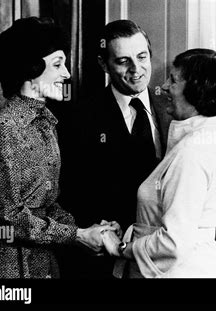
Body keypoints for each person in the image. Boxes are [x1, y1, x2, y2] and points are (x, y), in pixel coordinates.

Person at [0, 17, 117, 279]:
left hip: (43, 263)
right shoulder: (3, 129)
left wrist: (91, 231)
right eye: (58, 64)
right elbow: (7, 218)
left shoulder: (46, 123)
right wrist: (77, 235)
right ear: (31, 67)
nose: (67, 74)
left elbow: (48, 205)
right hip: (9, 269)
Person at [100, 48, 216, 278]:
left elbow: (174, 242)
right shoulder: (199, 138)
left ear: (195, 89)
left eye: (174, 79)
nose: (165, 86)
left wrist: (122, 248)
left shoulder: (193, 153)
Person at [57, 20, 172, 279]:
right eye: (123, 61)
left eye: (142, 57)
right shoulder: (80, 117)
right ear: (103, 64)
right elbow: (70, 189)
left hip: (160, 256)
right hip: (103, 260)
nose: (136, 70)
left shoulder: (173, 110)